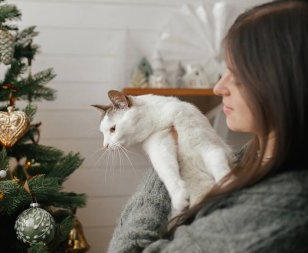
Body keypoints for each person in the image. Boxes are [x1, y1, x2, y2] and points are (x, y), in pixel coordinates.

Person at [107, 0, 308, 252]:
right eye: (224, 71)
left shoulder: (276, 211)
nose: (218, 87)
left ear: (284, 82)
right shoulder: (254, 155)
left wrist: (167, 156)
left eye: (237, 75)